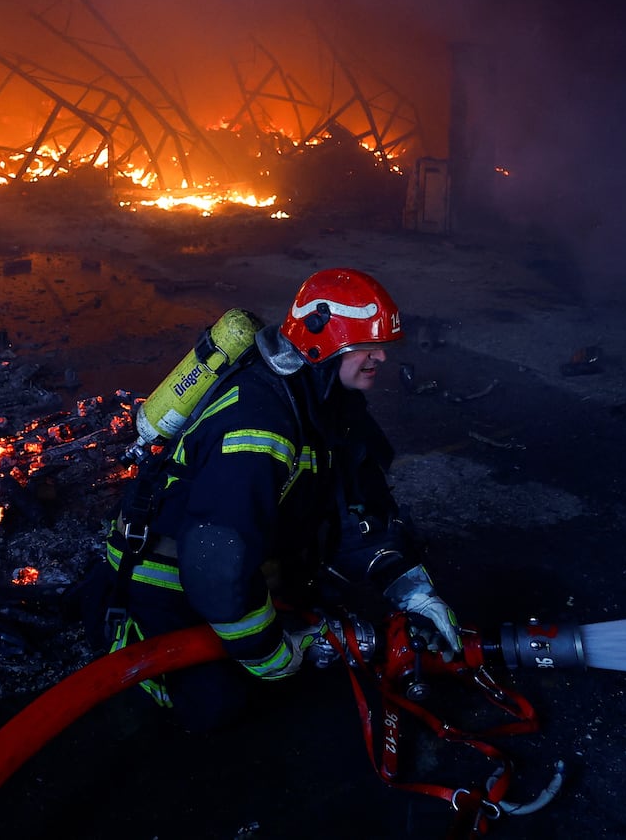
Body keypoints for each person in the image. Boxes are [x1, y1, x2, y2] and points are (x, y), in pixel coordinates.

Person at [85, 267, 461, 731]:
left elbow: (360, 508)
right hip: (166, 569)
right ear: (324, 344)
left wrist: (413, 592)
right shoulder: (257, 422)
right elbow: (215, 565)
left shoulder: (330, 404)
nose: (381, 357)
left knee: (302, 615)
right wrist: (270, 652)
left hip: (238, 552)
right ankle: (121, 628)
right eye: (366, 346)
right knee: (219, 703)